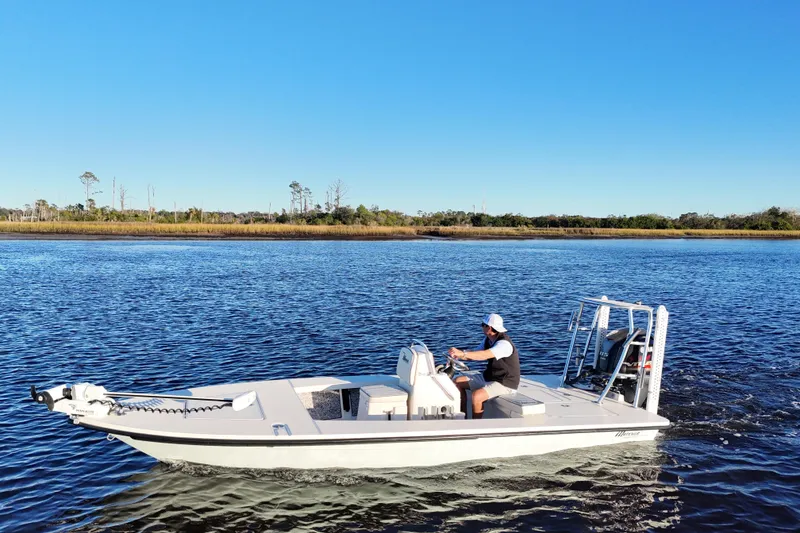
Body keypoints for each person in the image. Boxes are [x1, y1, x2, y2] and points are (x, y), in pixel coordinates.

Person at [448, 313, 520, 419]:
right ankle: (462, 417)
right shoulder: (488, 340)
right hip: (489, 377)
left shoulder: (504, 345)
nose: (482, 327)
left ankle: (476, 426)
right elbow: (476, 353)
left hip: (505, 383)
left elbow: (485, 355)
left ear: (489, 327)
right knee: (457, 381)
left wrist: (462, 354)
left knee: (477, 396)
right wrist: (458, 354)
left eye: (483, 324)